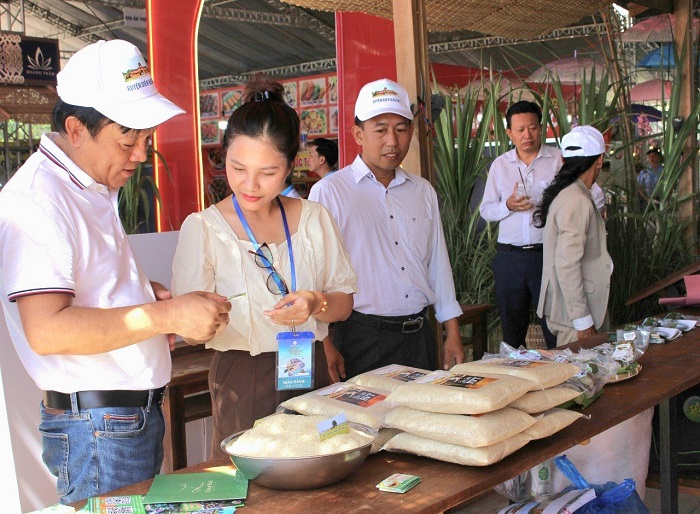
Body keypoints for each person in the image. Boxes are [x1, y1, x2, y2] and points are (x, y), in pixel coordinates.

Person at [0, 40, 232, 504]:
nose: (141, 155)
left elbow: (89, 292)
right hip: (98, 430)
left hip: (117, 422)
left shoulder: (86, 185)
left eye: (146, 139)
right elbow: (46, 330)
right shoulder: (38, 201)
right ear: (75, 128)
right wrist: (163, 318)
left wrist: (148, 297)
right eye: (129, 140)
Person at [171, 75, 356, 456]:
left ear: (290, 167)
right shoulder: (204, 228)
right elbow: (189, 333)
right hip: (243, 374)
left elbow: (344, 303)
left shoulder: (313, 218)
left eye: (268, 173)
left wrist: (316, 302)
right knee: (249, 486)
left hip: (313, 367)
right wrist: (206, 318)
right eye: (237, 168)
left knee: (323, 470)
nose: (249, 185)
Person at [308, 78, 465, 381]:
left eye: (401, 129)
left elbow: (438, 266)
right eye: (380, 130)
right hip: (359, 337)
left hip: (419, 336)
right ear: (358, 133)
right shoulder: (329, 192)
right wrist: (325, 344)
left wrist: (452, 332)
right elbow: (315, 277)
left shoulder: (423, 192)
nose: (392, 141)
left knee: (420, 422)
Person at [479, 101, 607, 349]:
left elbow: (595, 194)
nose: (527, 135)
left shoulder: (559, 160)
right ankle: (514, 381)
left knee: (555, 327)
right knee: (512, 331)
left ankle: (559, 377)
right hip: (510, 258)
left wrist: (555, 204)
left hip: (547, 257)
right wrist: (508, 205)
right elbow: (486, 210)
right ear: (509, 133)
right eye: (520, 130)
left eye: (533, 128)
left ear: (542, 128)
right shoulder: (500, 165)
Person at [533, 126, 612, 346]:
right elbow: (567, 264)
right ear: (599, 160)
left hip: (573, 310)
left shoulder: (570, 192)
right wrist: (583, 321)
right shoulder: (576, 199)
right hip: (574, 314)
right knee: (578, 378)